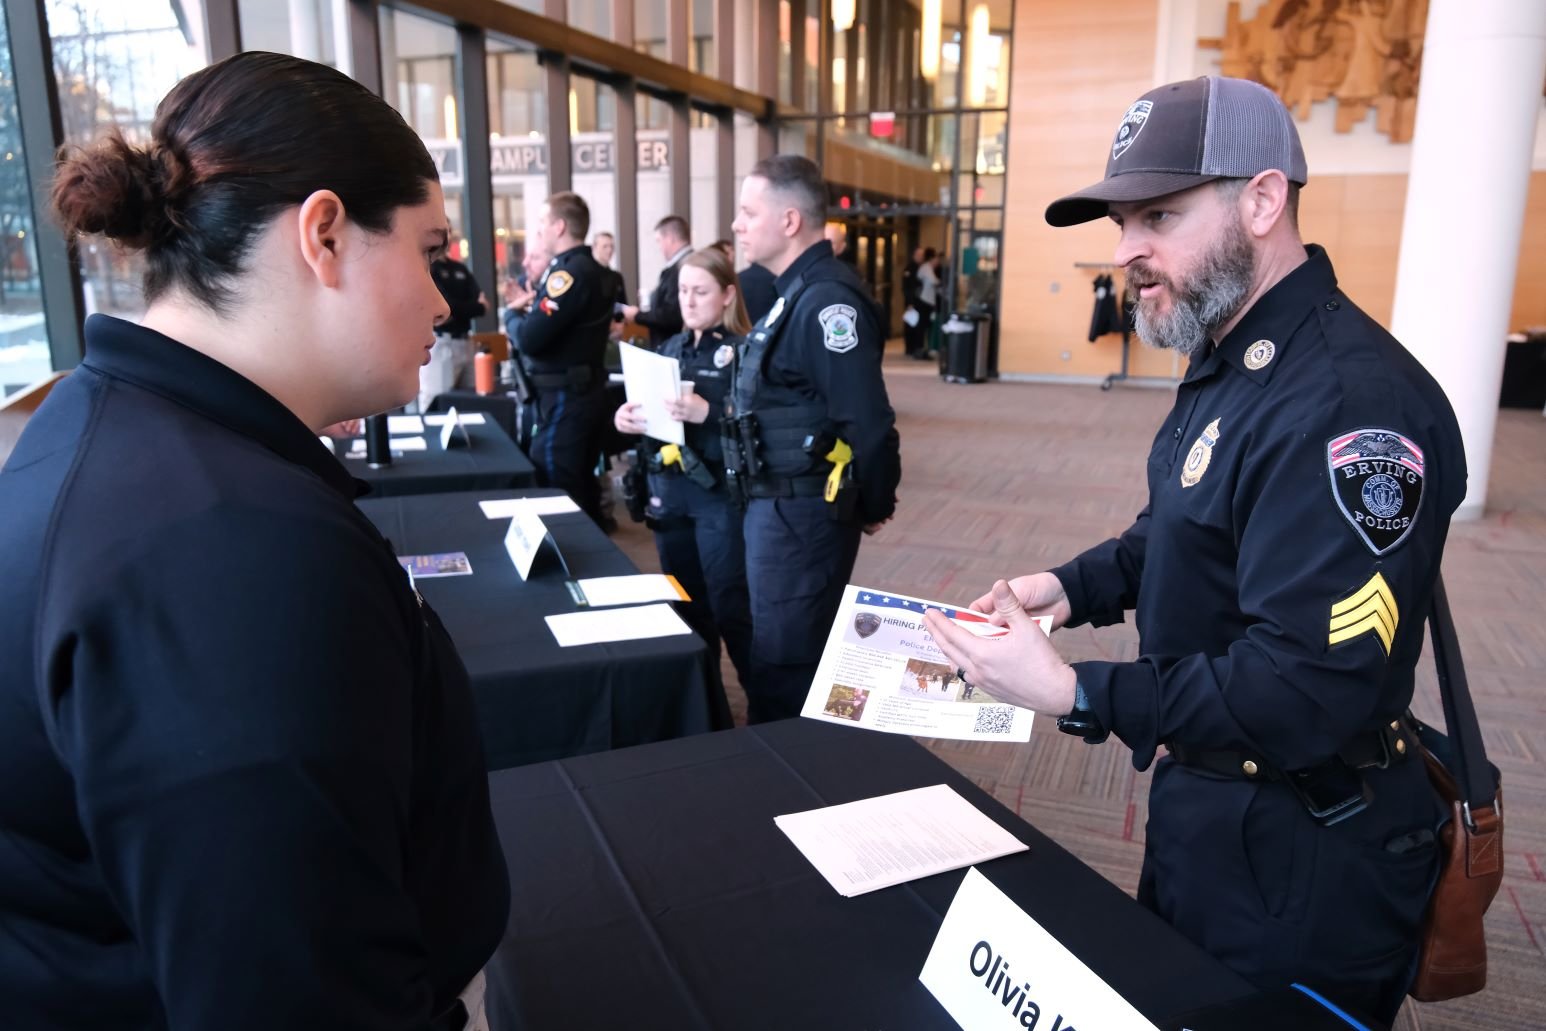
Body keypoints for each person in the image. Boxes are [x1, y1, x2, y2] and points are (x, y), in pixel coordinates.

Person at [923, 76, 1464, 1026]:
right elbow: (1180, 531)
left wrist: (1078, 691)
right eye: (1122, 219)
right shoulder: (1235, 355)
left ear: (1262, 200)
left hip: (1304, 854)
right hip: (1211, 809)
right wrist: (1068, 587)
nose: (1126, 249)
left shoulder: (1348, 405)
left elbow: (1304, 686)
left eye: (1159, 215)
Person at [0, 52, 508, 1029]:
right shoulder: (229, 551)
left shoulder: (106, 431)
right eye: (429, 249)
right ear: (323, 234)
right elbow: (292, 991)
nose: (444, 300)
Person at [728, 154, 902, 723]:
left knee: (787, 663)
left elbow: (867, 421)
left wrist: (873, 502)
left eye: (748, 212)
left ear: (789, 220)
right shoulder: (794, 293)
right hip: (778, 507)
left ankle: (790, 786)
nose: (737, 224)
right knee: (781, 650)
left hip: (801, 516)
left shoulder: (826, 302)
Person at [613, 248, 752, 692]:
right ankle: (706, 707)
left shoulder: (744, 353)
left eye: (701, 291)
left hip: (719, 499)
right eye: (683, 291)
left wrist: (708, 412)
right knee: (685, 605)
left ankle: (766, 708)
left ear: (728, 295)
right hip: (669, 495)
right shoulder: (667, 349)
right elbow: (651, 424)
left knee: (732, 606)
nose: (688, 301)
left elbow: (761, 424)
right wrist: (626, 421)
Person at [518, 191, 613, 526]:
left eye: (543, 223)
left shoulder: (568, 275)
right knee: (580, 483)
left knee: (557, 483)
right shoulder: (592, 269)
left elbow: (531, 338)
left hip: (565, 397)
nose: (540, 230)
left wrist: (514, 318)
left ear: (559, 227)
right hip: (582, 393)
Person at [423, 249, 486, 409]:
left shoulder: (460, 268)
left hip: (466, 342)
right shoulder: (428, 267)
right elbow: (446, 306)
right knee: (437, 404)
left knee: (470, 403)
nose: (447, 235)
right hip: (441, 343)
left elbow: (482, 305)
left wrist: (458, 309)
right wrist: (467, 308)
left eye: (449, 231)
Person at [621, 214, 691, 347]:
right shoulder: (689, 263)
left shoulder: (681, 269)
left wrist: (638, 315)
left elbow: (672, 315)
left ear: (670, 239)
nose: (659, 247)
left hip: (674, 345)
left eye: (659, 241)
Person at [910, 247, 939, 360]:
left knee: (925, 327)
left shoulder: (928, 268)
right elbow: (933, 281)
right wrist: (940, 282)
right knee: (921, 327)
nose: (938, 261)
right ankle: (920, 350)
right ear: (932, 258)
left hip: (928, 301)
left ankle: (923, 349)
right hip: (924, 301)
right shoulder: (926, 268)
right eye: (936, 258)